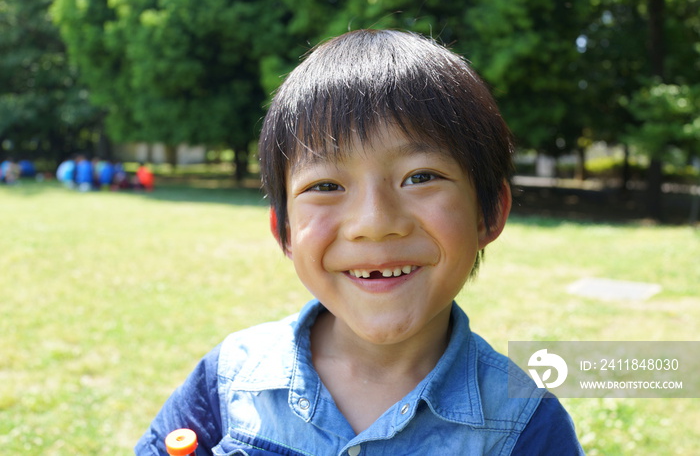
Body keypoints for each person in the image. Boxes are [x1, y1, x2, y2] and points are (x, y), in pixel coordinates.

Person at [136, 30, 584, 455]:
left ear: (489, 212)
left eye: (421, 177)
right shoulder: (227, 380)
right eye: (326, 185)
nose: (373, 223)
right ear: (284, 231)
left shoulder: (527, 425)